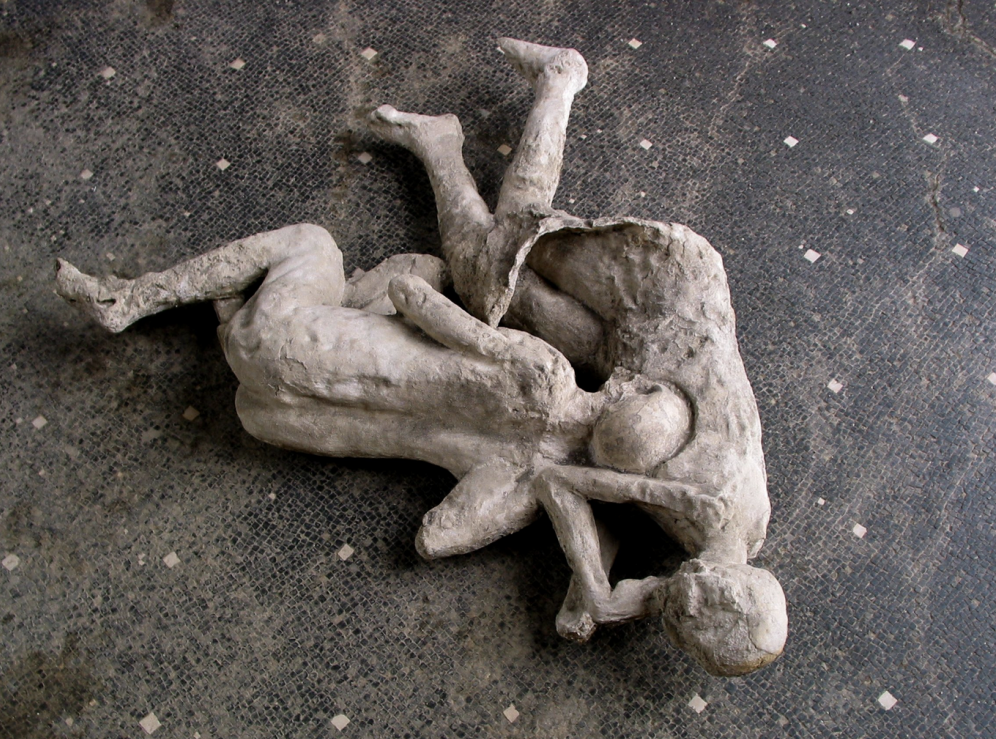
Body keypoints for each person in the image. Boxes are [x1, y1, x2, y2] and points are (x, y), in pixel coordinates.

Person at [56, 38, 785, 676]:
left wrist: (593, 584)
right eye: (684, 607)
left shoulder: (694, 504)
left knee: (466, 267)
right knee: (482, 259)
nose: (671, 603)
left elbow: (597, 483)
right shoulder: (699, 495)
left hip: (623, 345)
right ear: (719, 586)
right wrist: (594, 584)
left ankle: (491, 118)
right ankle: (541, 91)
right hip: (655, 306)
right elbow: (576, 484)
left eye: (674, 618)